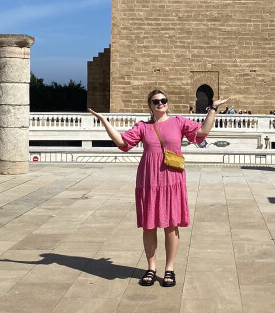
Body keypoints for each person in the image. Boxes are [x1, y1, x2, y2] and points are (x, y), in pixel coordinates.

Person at [89, 89, 230, 288]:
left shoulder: (179, 122)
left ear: (167, 103)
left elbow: (202, 133)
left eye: (163, 100)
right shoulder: (143, 127)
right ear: (150, 105)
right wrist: (104, 120)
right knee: (149, 226)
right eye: (156, 101)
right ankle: (151, 267)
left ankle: (169, 269)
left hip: (172, 181)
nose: (160, 104)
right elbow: (122, 142)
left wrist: (213, 109)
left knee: (171, 225)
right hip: (148, 181)